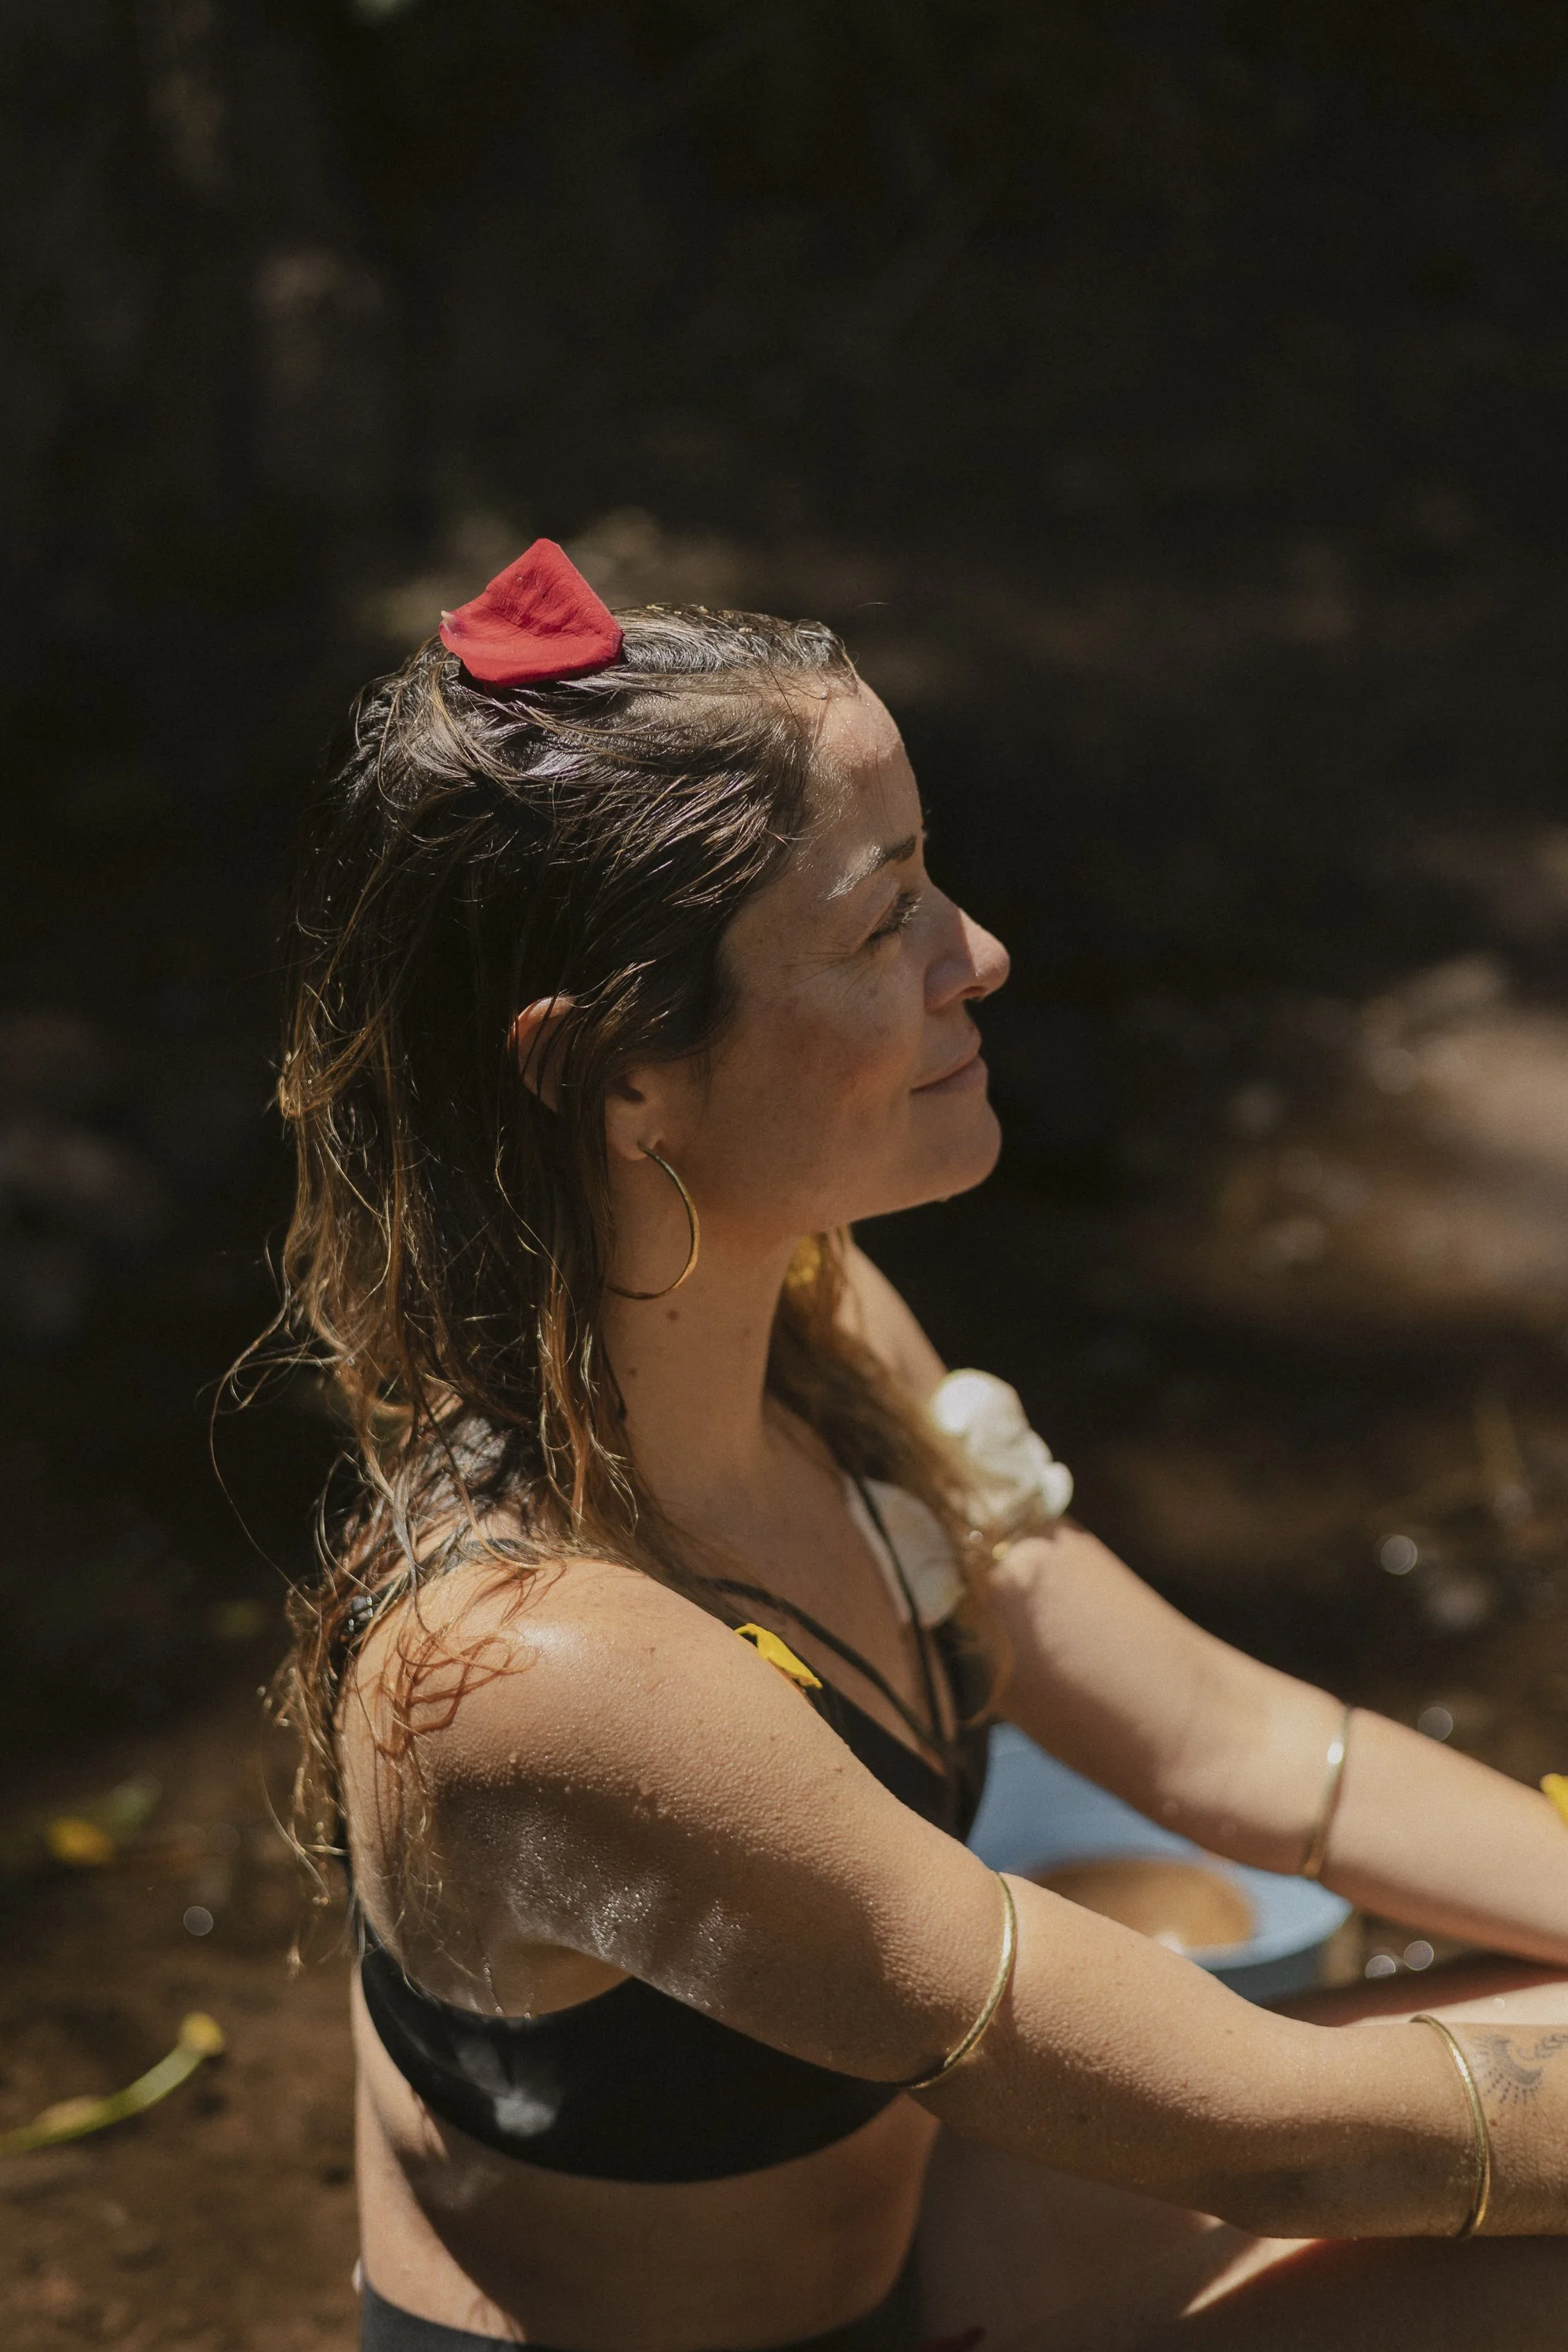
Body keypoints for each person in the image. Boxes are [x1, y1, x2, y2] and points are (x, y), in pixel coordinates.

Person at [274, 540, 1568, 2352]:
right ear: (619, 1069)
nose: (981, 955)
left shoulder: (810, 1317)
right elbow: (1272, 2139)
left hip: (913, 2258)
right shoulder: (535, 1677)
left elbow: (1238, 1747)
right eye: (886, 919)